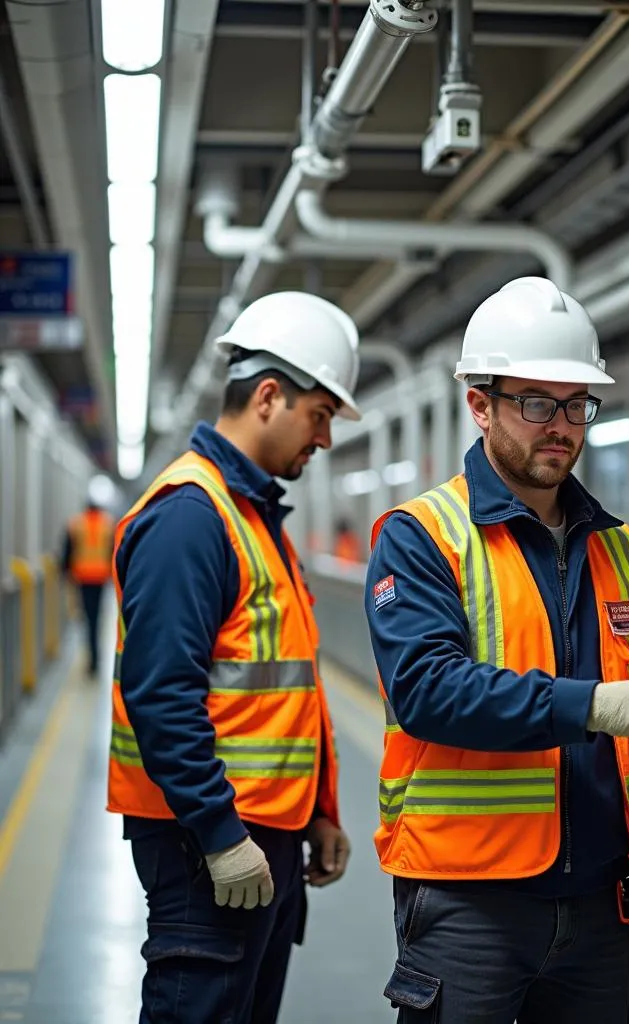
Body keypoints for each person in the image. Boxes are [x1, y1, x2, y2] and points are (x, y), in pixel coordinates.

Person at [365, 276, 629, 1024]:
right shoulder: (423, 535)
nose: (561, 425)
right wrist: (592, 705)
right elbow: (426, 690)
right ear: (480, 404)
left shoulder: (620, 549)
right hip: (467, 903)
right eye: (535, 403)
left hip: (597, 901)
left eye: (577, 404)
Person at [107, 291, 361, 1024]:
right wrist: (220, 834)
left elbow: (277, 689)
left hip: (261, 833)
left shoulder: (250, 515)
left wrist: (314, 812)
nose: (324, 439)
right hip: (207, 844)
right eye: (319, 416)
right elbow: (162, 694)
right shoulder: (192, 515)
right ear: (270, 396)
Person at [62, 483, 115, 676]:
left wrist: (65, 573)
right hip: (100, 578)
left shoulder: (76, 523)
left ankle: (92, 658)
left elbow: (67, 553)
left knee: (87, 618)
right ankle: (96, 658)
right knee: (97, 619)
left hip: (82, 578)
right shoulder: (108, 523)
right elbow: (114, 551)